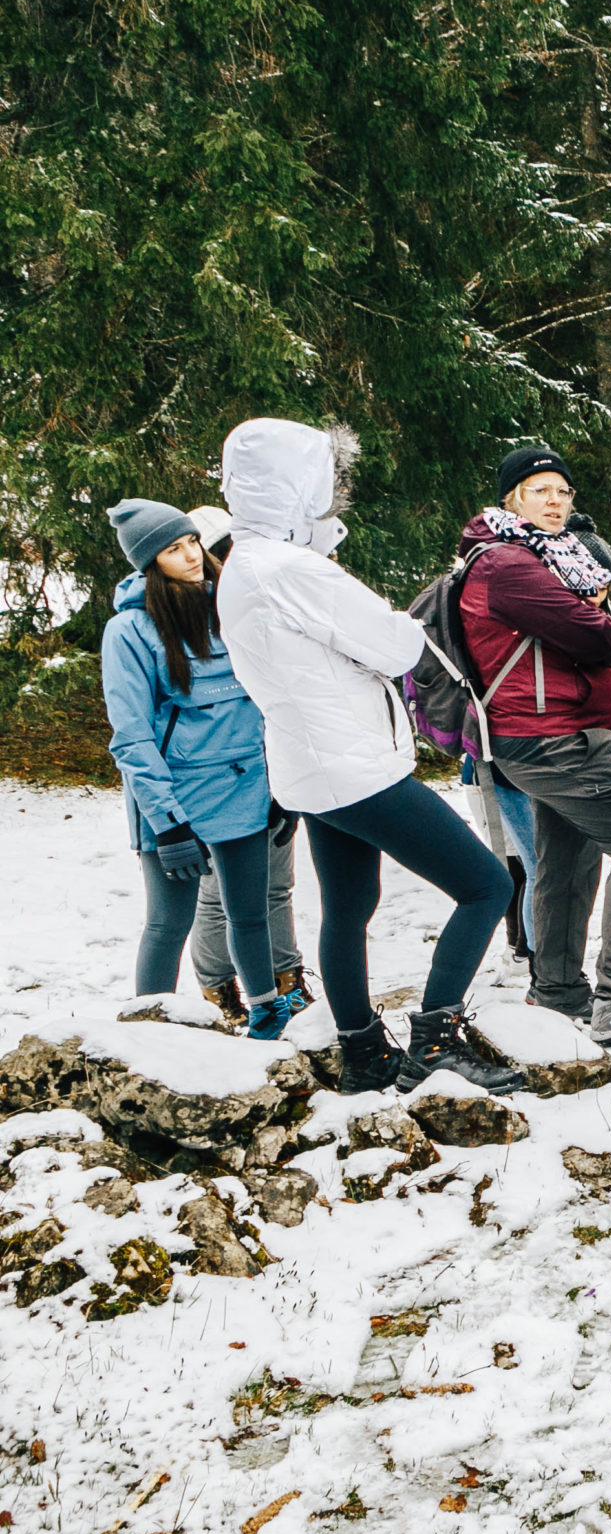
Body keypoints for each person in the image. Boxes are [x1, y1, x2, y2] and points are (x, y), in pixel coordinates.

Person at [216, 418, 517, 1095]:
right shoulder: (292, 569)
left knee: (349, 902)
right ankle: (436, 1039)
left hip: (308, 762)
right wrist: (393, 626)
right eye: (324, 481)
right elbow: (397, 646)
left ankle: (361, 1050)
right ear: (296, 486)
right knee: (486, 885)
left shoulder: (244, 564)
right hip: (352, 765)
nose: (333, 495)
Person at [458, 445, 611, 1045]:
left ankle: (555, 992)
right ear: (511, 499)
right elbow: (600, 635)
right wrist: (600, 618)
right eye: (539, 491)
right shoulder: (508, 564)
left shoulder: (540, 557)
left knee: (566, 861)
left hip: (554, 731)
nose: (554, 502)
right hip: (554, 737)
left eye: (562, 492)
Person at [101, 499, 292, 1039]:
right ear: (149, 563)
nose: (189, 555)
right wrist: (167, 823)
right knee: (168, 925)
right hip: (176, 801)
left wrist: (279, 788)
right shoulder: (130, 631)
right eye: (171, 549)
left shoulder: (229, 608)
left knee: (250, 915)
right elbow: (132, 735)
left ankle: (265, 1012)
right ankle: (148, 1033)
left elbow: (265, 703)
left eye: (191, 542)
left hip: (247, 789)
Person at [176, 503, 311, 1025]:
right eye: (222, 553)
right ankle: (219, 989)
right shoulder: (186, 625)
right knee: (219, 894)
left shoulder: (253, 606)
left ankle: (285, 978)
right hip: (214, 780)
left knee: (276, 882)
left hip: (269, 765)